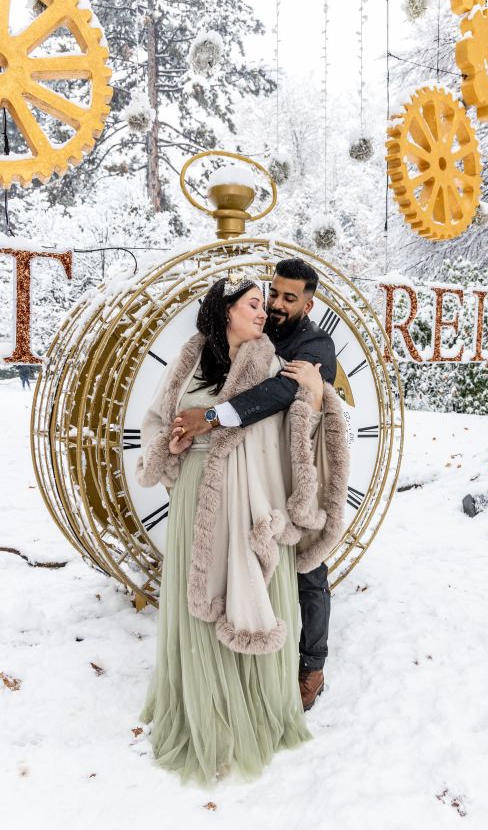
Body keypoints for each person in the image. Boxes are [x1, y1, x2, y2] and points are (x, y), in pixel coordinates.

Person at [136, 274, 348, 786]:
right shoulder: (193, 355)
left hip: (251, 499)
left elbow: (289, 414)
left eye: (273, 301)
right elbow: (160, 421)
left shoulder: (276, 358)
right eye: (256, 302)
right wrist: (174, 444)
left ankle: (262, 701)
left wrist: (316, 399)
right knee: (199, 598)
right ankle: (202, 706)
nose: (266, 310)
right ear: (225, 310)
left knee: (259, 591)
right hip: (194, 497)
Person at [171, 258, 337, 712]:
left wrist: (210, 418)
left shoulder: (314, 343)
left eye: (289, 298)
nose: (276, 306)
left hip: (292, 475)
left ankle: (312, 664)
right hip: (253, 475)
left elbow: (282, 393)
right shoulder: (257, 328)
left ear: (309, 301)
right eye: (272, 294)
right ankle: (253, 667)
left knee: (307, 571)